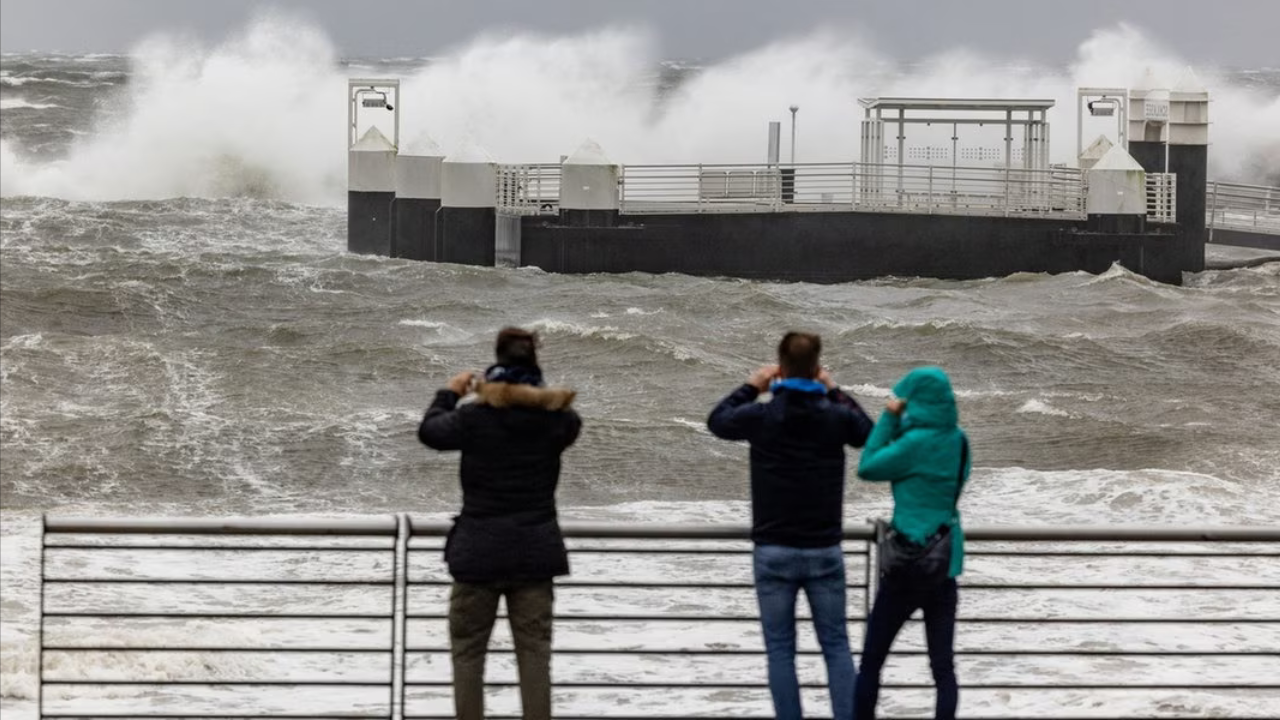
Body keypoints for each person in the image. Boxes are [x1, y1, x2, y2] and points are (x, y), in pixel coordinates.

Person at [707, 331, 873, 720]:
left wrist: (751, 385)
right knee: (836, 645)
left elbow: (717, 421)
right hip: (824, 550)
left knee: (781, 650)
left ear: (779, 368)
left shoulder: (761, 414)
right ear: (817, 368)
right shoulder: (835, 415)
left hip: (773, 549)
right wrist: (834, 390)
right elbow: (868, 433)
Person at [418, 327, 581, 720]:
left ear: (496, 360)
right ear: (534, 364)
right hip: (534, 556)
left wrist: (453, 392)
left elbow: (430, 432)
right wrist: (532, 394)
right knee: (535, 656)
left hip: (478, 554)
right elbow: (568, 418)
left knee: (468, 655)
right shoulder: (557, 423)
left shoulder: (474, 419)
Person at [854, 366, 971, 720]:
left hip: (907, 563)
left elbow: (868, 466)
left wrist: (889, 419)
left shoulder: (911, 444)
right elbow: (958, 478)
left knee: (872, 661)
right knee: (943, 668)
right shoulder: (959, 440)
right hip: (944, 562)